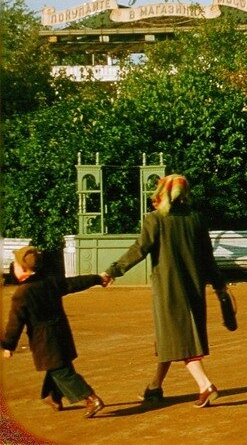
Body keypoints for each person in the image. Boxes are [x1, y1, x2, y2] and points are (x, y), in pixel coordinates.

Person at [103, 174, 228, 408]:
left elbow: (139, 249)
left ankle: (205, 385)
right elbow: (208, 258)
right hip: (194, 288)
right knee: (170, 338)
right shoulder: (196, 219)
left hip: (169, 291)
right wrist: (218, 283)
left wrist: (113, 271)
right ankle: (154, 387)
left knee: (181, 338)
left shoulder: (155, 219)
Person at [2, 246, 105, 417]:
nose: (13, 266)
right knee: (58, 366)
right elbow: (74, 283)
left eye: (15, 264)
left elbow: (15, 323)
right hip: (61, 332)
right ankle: (52, 397)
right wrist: (97, 278)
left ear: (24, 269)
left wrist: (8, 346)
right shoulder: (50, 281)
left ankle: (91, 399)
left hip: (44, 340)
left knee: (61, 371)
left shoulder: (22, 294)